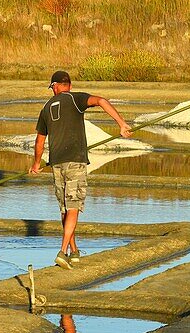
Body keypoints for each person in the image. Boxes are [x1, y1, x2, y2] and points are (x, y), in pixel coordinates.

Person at [30, 70, 131, 269]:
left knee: (65, 209)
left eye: (52, 87)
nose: (52, 91)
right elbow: (101, 100)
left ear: (57, 85)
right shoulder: (76, 98)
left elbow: (39, 141)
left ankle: (73, 251)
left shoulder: (46, 107)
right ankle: (62, 251)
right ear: (68, 85)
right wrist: (121, 124)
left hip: (56, 163)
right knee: (73, 206)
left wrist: (35, 163)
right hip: (75, 161)